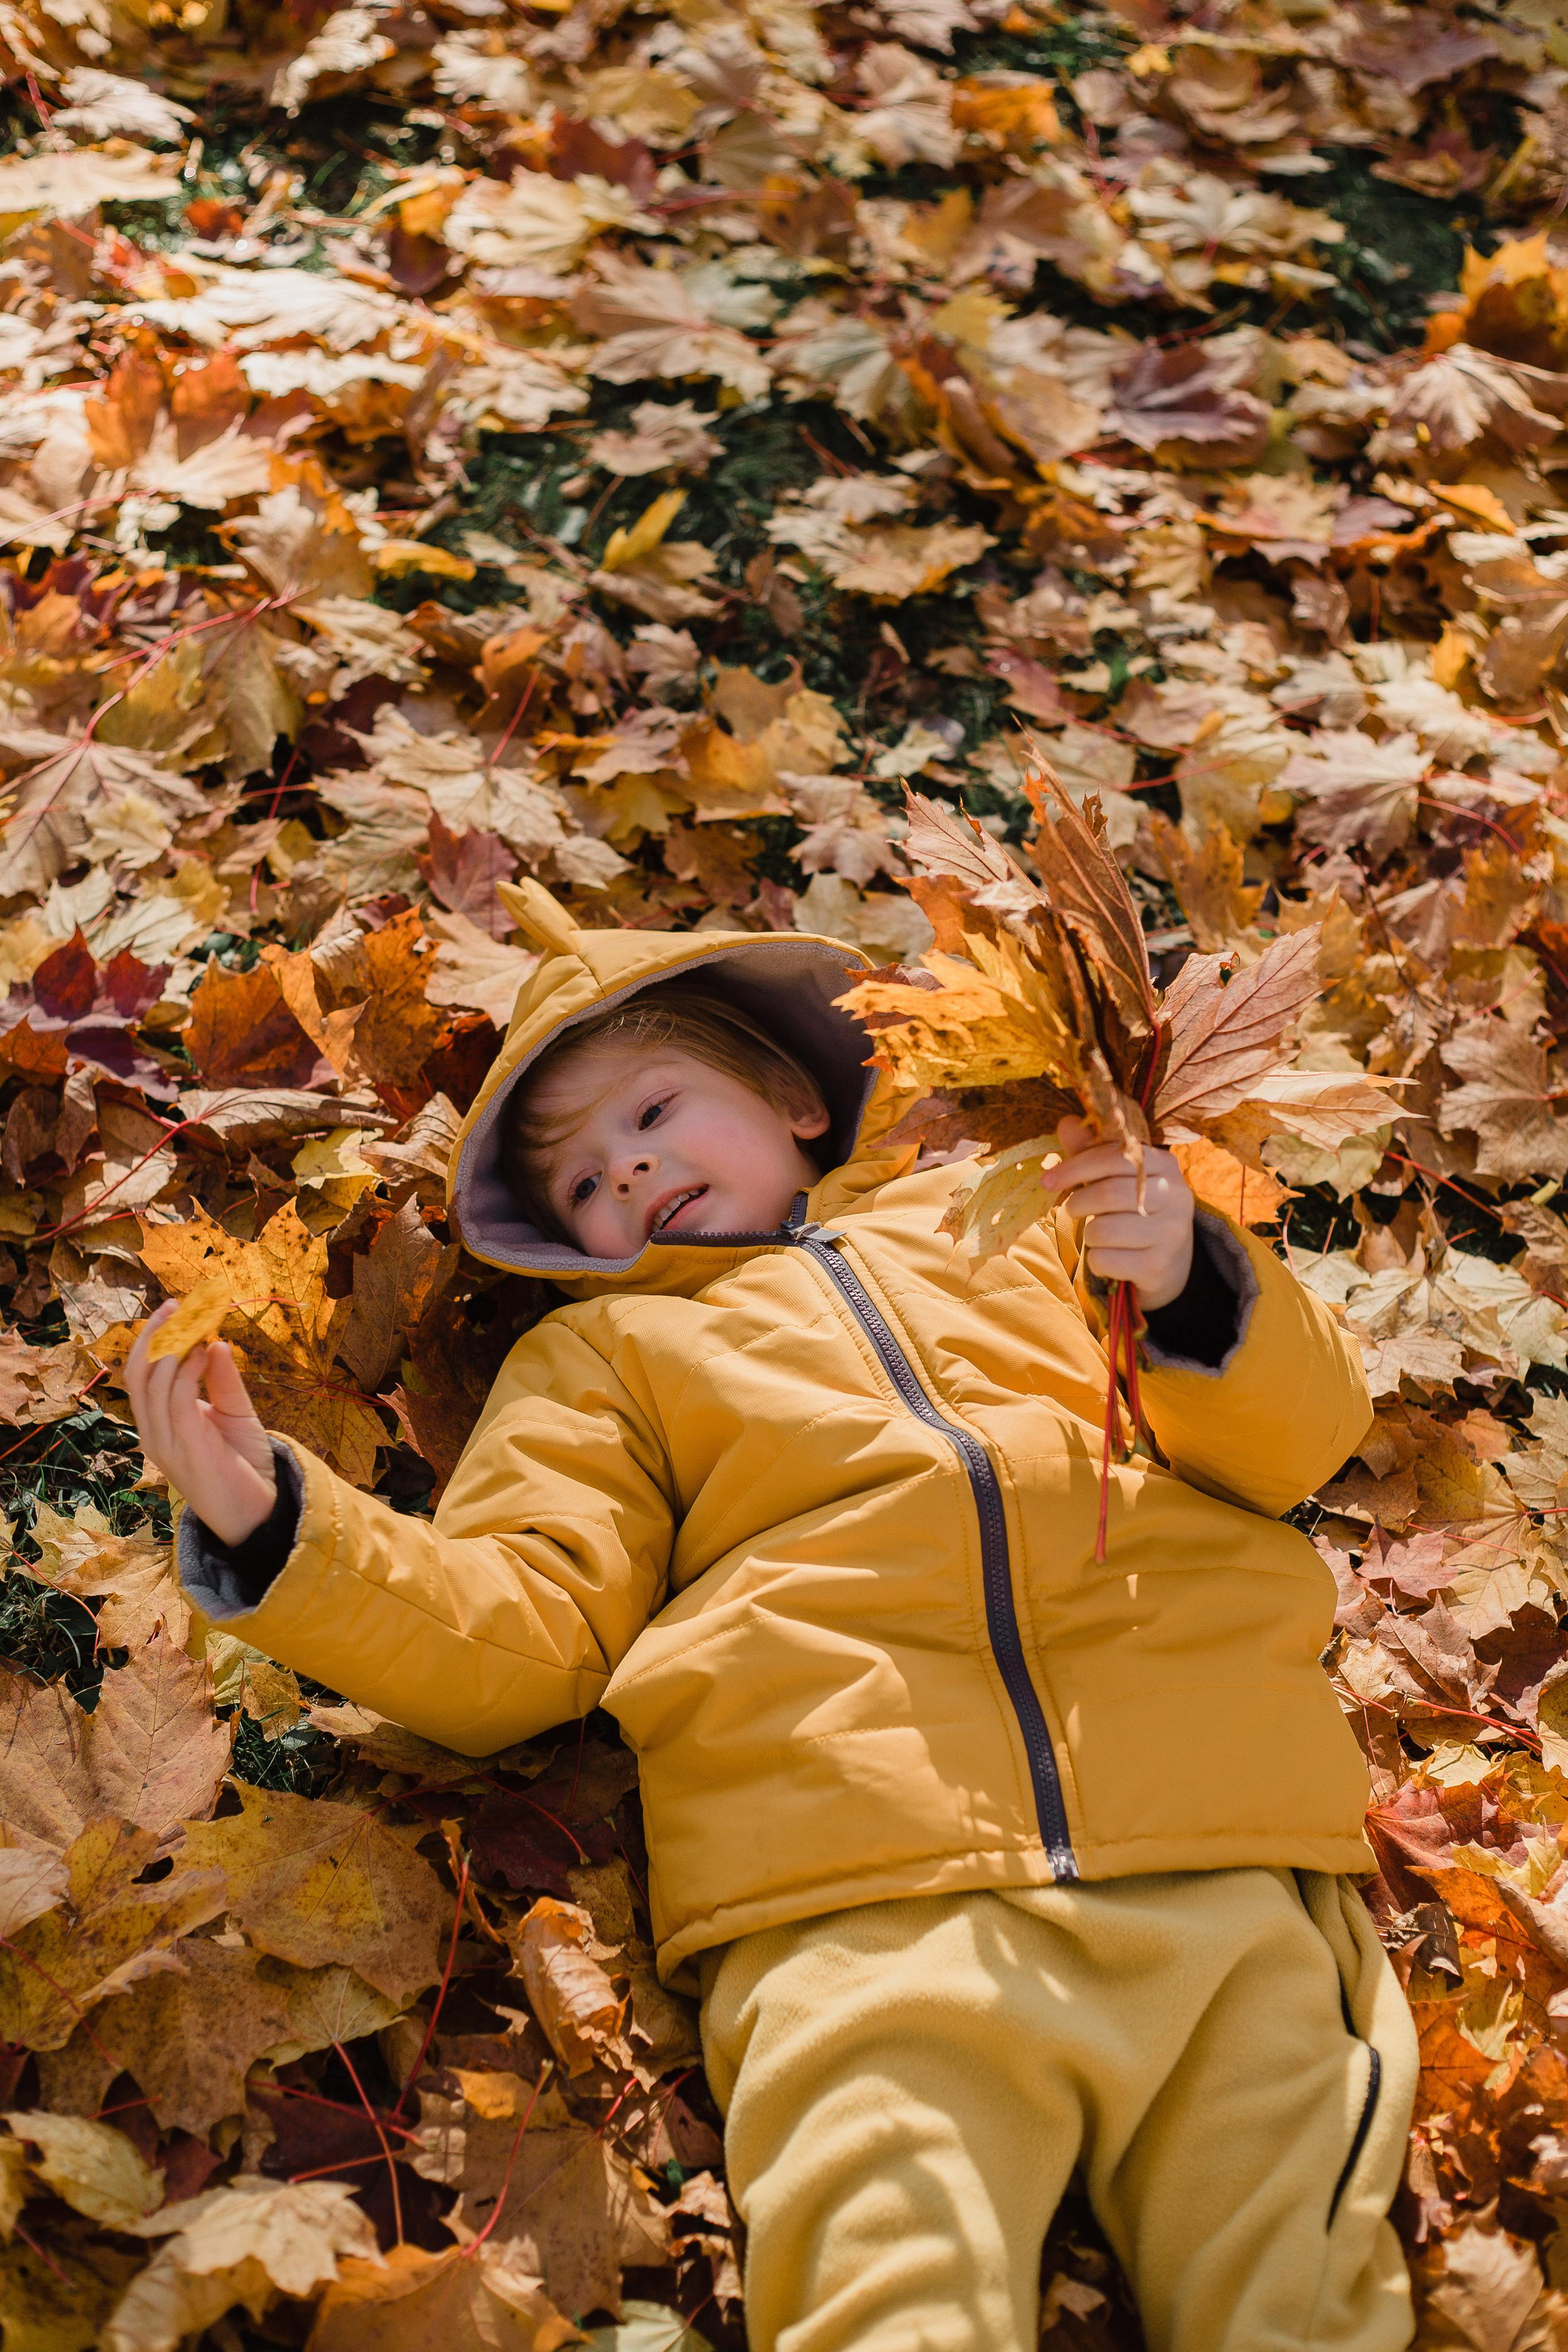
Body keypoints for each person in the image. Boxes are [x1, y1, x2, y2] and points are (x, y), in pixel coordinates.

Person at [128, 879, 1417, 2352]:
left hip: (1213, 1838)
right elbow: (523, 1627)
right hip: (853, 1898)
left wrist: (1189, 1283)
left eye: (651, 1111)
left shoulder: (1016, 1221)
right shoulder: (603, 1360)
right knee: (887, 2289)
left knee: (1299, 2277)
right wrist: (284, 1530)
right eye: (583, 1186)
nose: (626, 1168)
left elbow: (1286, 1446)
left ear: (799, 1100)